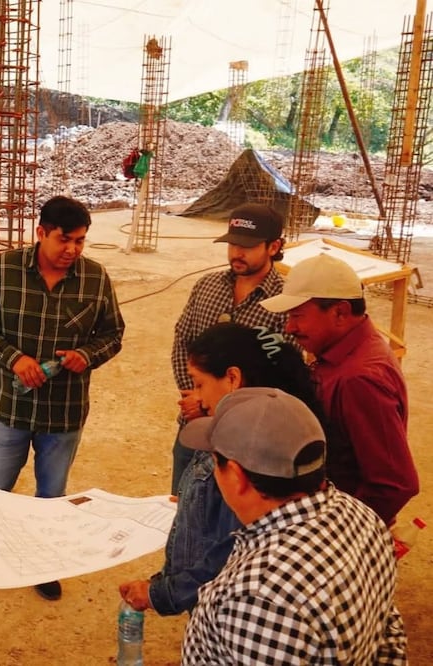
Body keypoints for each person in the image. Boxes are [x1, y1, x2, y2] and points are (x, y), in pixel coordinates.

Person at [0, 195, 124, 602]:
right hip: (8, 408)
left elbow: (113, 335)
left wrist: (85, 356)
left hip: (63, 412)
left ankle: (44, 566)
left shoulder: (95, 278)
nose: (72, 249)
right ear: (41, 233)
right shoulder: (5, 269)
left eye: (81, 241)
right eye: (64, 239)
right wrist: (14, 359)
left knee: (52, 498)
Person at [178, 388, 407, 663]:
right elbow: (388, 636)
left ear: (237, 476)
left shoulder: (259, 599)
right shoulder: (363, 518)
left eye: (216, 462)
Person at [119, 322, 321, 616]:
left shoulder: (240, 453)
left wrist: (159, 593)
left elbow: (225, 553)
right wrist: (192, 503)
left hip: (218, 607)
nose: (196, 397)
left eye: (199, 383)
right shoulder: (284, 431)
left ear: (232, 378)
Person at [261, 252, 419, 526]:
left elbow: (395, 484)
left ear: (340, 312)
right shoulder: (344, 353)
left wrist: (338, 535)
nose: (289, 327)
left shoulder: (359, 378)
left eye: (298, 315)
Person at [170, 202, 287, 493]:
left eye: (247, 246)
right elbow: (182, 342)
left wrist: (217, 409)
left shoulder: (285, 302)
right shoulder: (206, 286)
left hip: (246, 440)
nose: (236, 253)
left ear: (274, 247)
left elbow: (279, 373)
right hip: (193, 425)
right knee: (182, 510)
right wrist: (197, 398)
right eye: (232, 244)